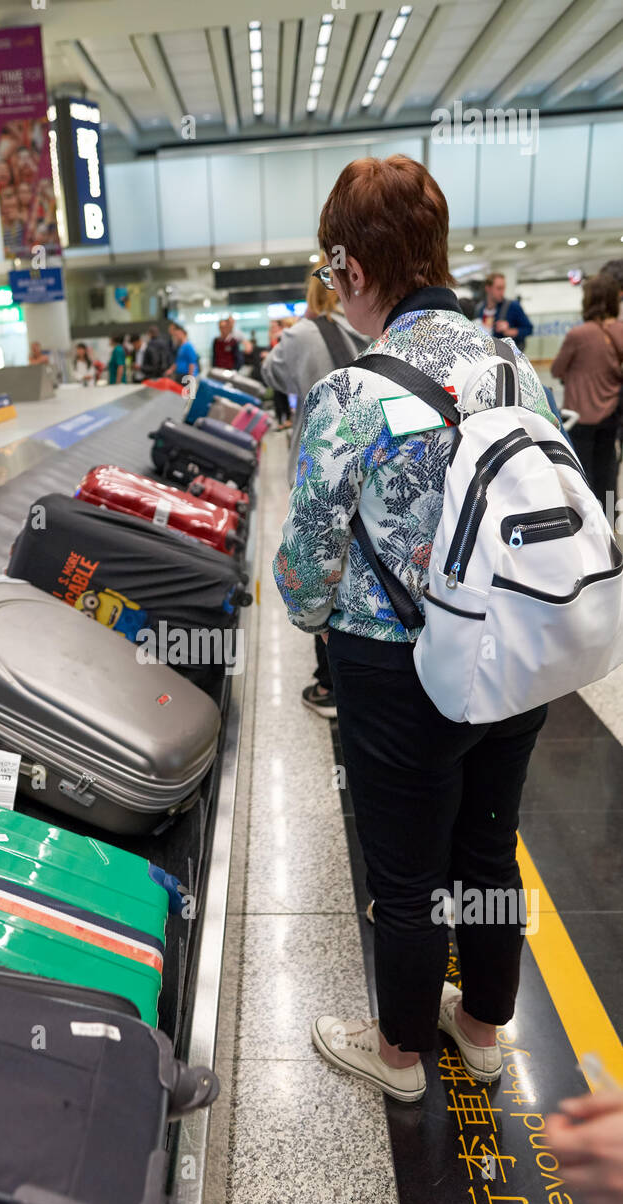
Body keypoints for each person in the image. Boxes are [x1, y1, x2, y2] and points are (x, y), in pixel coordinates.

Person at [274, 154, 558, 1103]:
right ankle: (480, 1028)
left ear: (352, 268)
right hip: (517, 651)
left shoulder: (353, 395)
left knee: (405, 865)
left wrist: (315, 618)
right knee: (487, 842)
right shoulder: (520, 372)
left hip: (397, 668)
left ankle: (399, 1053)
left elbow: (309, 558)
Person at [264, 265, 368, 718]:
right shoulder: (365, 330)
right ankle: (358, 674)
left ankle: (329, 685)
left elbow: (274, 377)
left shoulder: (299, 334)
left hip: (318, 460)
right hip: (368, 460)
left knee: (321, 564)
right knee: (362, 565)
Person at [550, 273, 623, 509]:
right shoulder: (620, 331)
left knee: (581, 475)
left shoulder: (578, 335)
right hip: (611, 414)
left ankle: (585, 525)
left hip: (579, 416)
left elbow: (556, 369)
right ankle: (609, 524)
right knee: (607, 473)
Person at [474, 272, 533, 351]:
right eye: (499, 288)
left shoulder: (513, 306)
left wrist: (511, 331)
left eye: (503, 288)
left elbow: (529, 328)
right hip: (486, 357)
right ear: (488, 288)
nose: (502, 292)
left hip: (507, 357)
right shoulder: (479, 309)